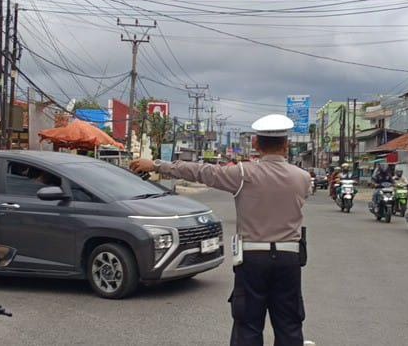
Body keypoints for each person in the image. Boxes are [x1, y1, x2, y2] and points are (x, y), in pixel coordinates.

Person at [130, 114, 310, 346]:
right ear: (287, 145)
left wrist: (156, 165)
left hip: (252, 259)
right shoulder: (303, 178)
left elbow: (201, 171)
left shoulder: (242, 174)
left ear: (255, 143)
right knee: (289, 325)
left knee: (248, 326)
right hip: (289, 259)